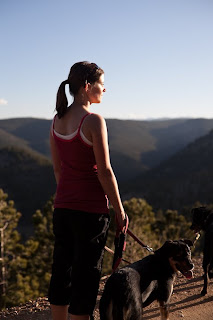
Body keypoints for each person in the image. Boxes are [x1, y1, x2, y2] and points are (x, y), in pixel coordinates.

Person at [48, 61, 127, 320]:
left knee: (63, 271)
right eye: (102, 85)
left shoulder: (56, 121)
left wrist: (69, 197)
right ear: (86, 87)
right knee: (86, 276)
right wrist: (120, 210)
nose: (105, 90)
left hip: (62, 208)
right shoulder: (93, 120)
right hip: (90, 212)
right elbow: (104, 171)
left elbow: (59, 172)